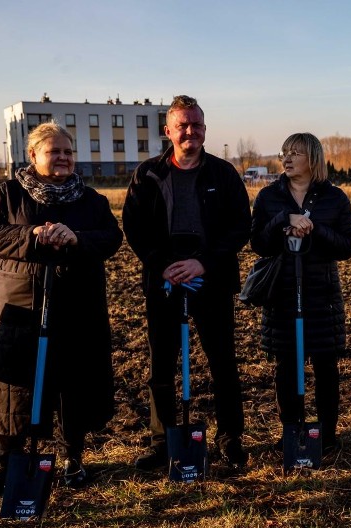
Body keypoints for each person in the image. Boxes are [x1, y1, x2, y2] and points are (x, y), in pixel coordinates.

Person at [0, 121, 122, 497]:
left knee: (75, 387)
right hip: (20, 310)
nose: (64, 158)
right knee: (13, 388)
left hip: (78, 310)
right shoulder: (7, 195)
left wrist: (78, 238)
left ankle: (73, 460)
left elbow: (112, 238)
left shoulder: (92, 200)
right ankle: (8, 467)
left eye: (68, 152)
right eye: (55, 152)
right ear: (33, 155)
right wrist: (31, 235)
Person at [123, 95, 251, 470]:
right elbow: (134, 227)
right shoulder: (147, 175)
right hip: (162, 281)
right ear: (168, 131)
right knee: (160, 365)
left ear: (205, 129)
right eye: (183, 125)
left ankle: (230, 438)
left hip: (211, 278)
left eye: (196, 125)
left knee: (223, 362)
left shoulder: (223, 174)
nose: (190, 131)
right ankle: (162, 440)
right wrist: (161, 265)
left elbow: (240, 225)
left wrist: (203, 263)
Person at [250, 133, 351, 455]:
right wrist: (284, 220)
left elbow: (348, 246)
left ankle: (326, 435)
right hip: (281, 293)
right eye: (284, 152)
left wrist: (316, 230)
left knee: (326, 366)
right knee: (287, 366)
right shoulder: (269, 197)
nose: (286, 158)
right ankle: (292, 431)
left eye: (295, 153)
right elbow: (258, 243)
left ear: (312, 158)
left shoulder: (334, 198)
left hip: (321, 294)